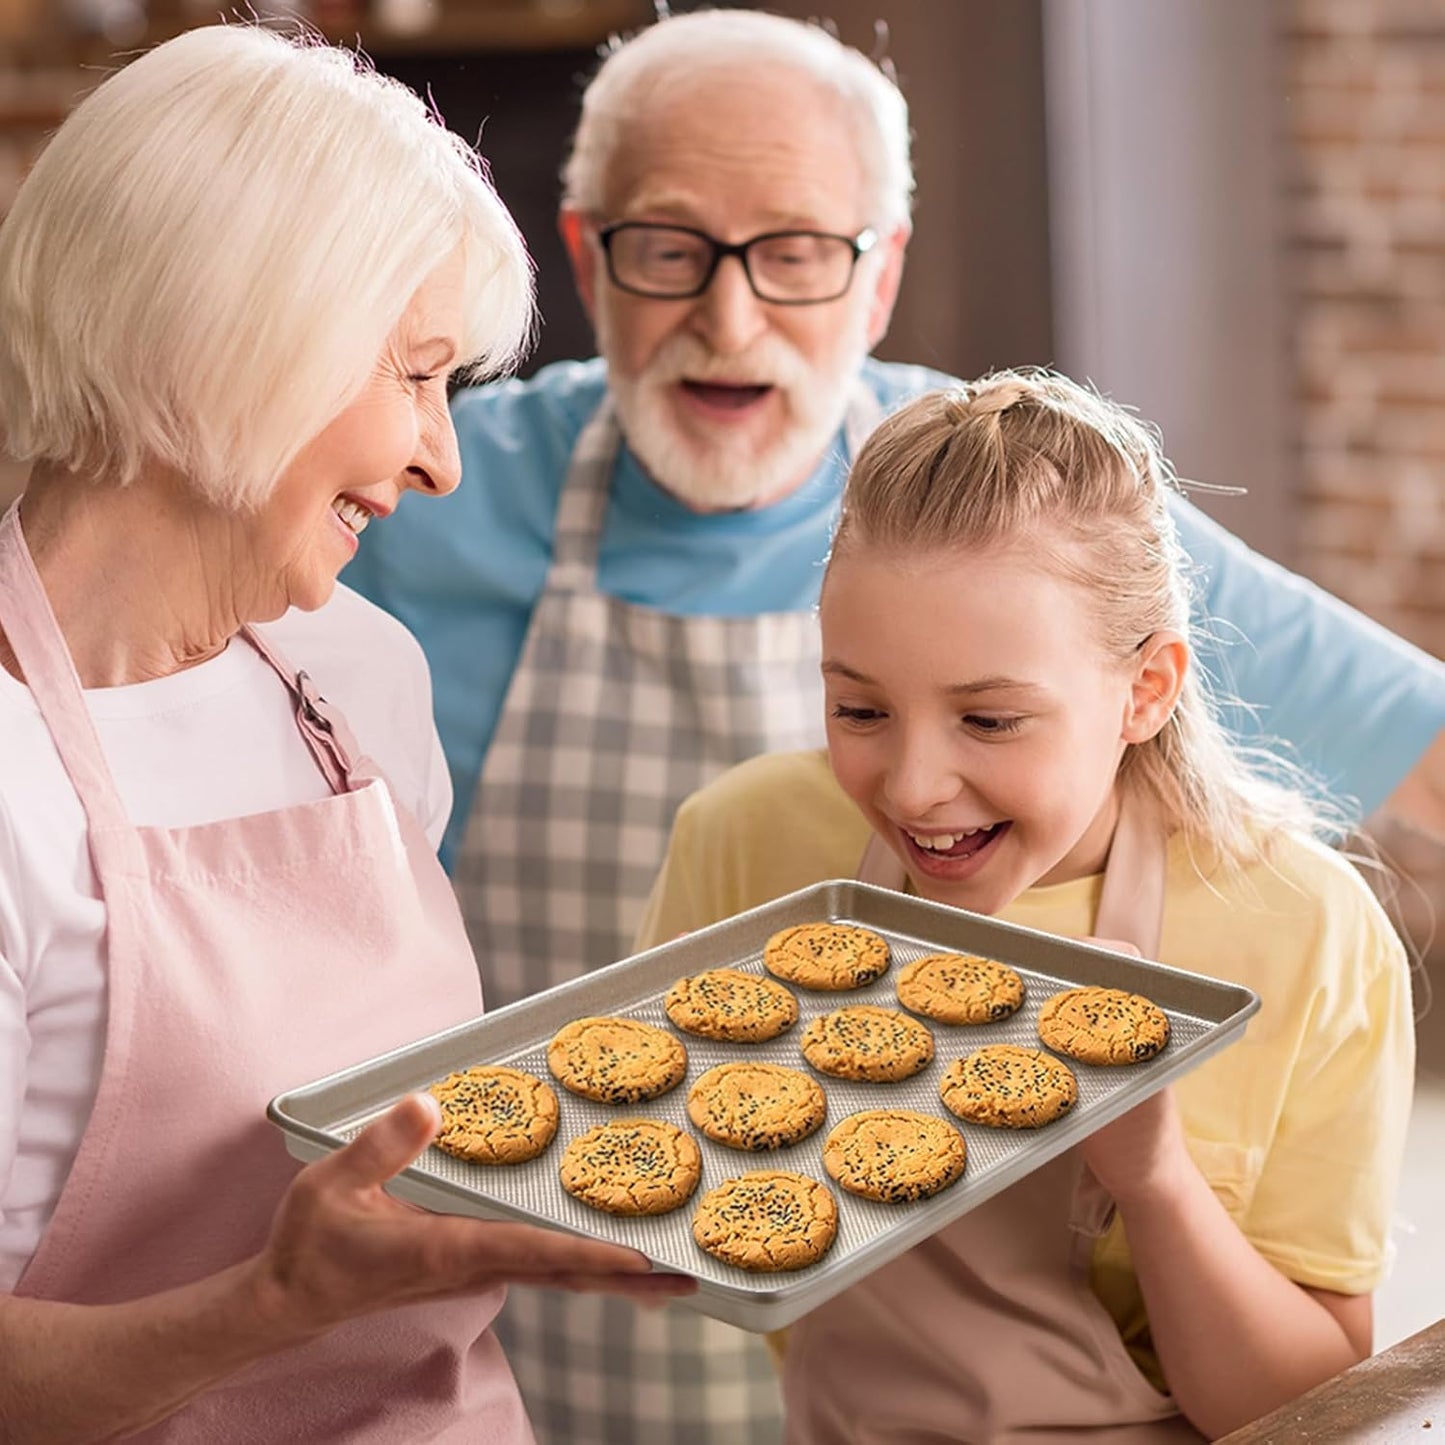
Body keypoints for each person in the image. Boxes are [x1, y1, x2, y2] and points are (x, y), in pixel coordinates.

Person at [342, 10, 1442, 1442]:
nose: (729, 318)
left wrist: (1155, 1177)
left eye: (796, 252)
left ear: (881, 275)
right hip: (588, 1341)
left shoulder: (1030, 506)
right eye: (668, 249)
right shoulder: (419, 482)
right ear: (586, 255)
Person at [0, 25, 694, 1443]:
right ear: (230, 340)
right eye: (415, 374)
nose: (441, 457)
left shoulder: (356, 675)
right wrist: (272, 1304)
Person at [636, 371, 1415, 1443]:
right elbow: (665, 1237)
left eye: (990, 720)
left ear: (1144, 690)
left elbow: (1305, 1413)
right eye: (858, 707)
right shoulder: (747, 842)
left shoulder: (1306, 932)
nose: (914, 788)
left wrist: (1153, 1179)